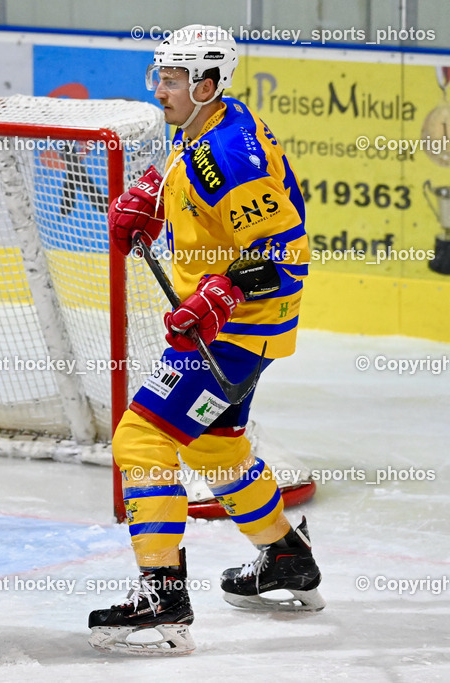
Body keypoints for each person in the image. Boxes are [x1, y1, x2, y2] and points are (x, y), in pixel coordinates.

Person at [88, 25, 323, 655]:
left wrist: (217, 296)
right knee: (216, 446)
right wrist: (154, 199)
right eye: (157, 76)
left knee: (141, 437)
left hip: (236, 328)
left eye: (170, 79)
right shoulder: (202, 124)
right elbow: (199, 195)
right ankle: (284, 557)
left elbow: (284, 251)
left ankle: (161, 594)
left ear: (207, 83)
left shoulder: (230, 150)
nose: (158, 90)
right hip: (237, 324)